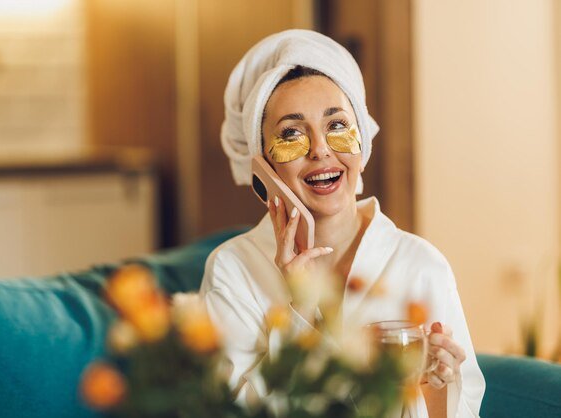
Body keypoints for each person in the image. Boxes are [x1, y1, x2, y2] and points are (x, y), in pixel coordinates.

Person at [200, 29, 485, 418]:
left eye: (337, 126)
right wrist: (299, 311)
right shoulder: (233, 270)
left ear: (363, 146)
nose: (320, 149)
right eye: (291, 134)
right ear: (262, 168)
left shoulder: (422, 265)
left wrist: (437, 389)